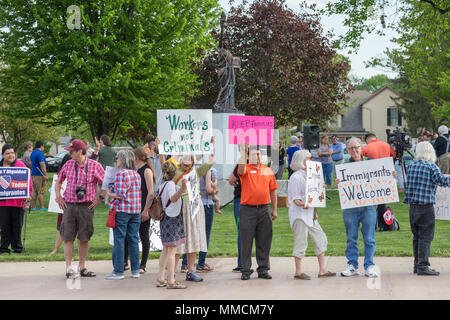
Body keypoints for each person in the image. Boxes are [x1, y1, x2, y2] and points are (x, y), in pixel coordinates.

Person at [55, 139, 105, 278]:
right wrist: (59, 196)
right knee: (68, 237)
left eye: (71, 151)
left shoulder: (95, 165)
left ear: (79, 151)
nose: (69, 154)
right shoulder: (68, 164)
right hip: (69, 205)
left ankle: (82, 267)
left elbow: (107, 183)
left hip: (86, 206)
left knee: (84, 237)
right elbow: (58, 181)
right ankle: (69, 268)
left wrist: (99, 199)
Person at [404, 142, 450, 276]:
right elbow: (443, 181)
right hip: (426, 207)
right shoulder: (431, 167)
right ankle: (423, 266)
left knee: (416, 236)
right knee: (426, 237)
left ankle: (417, 265)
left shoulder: (411, 166)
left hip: (412, 206)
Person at [288, 150, 335, 280]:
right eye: (307, 159)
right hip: (300, 215)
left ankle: (322, 269)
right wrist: (305, 203)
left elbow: (314, 192)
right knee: (301, 242)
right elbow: (296, 199)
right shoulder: (296, 177)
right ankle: (298, 271)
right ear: (301, 161)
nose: (310, 161)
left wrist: (320, 188)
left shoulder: (311, 175)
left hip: (311, 214)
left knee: (320, 238)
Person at [174, 137, 216, 282]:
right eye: (184, 161)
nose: (186, 164)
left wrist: (212, 145)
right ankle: (172, 273)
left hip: (195, 209)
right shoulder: (175, 173)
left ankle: (190, 271)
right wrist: (161, 150)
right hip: (179, 209)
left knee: (193, 241)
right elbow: (163, 165)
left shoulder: (196, 172)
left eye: (189, 161)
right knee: (177, 243)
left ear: (192, 161)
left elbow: (210, 162)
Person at [336, 137, 379, 278]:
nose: (354, 150)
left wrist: (391, 177)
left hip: (368, 207)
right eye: (351, 148)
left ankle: (369, 266)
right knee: (351, 238)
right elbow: (341, 187)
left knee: (369, 238)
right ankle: (352, 265)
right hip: (350, 207)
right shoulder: (343, 167)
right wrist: (338, 183)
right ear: (347, 150)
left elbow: (381, 180)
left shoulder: (372, 163)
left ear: (362, 148)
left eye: (357, 147)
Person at [238, 143, 278, 280]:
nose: (258, 156)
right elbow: (241, 168)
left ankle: (263, 269)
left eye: (259, 154)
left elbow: (273, 190)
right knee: (246, 240)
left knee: (265, 240)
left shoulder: (268, 170)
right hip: (247, 210)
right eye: (254, 154)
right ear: (248, 157)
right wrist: (243, 151)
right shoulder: (245, 169)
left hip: (264, 209)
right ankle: (245, 269)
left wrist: (274, 209)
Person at [104, 150, 142, 280]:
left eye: (117, 158)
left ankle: (118, 271)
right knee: (133, 240)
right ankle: (135, 270)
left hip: (123, 210)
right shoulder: (136, 174)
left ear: (122, 159)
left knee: (119, 240)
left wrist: (109, 193)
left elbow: (120, 195)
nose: (116, 160)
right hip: (135, 210)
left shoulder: (121, 174)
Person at [123, 147, 155, 274]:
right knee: (128, 235)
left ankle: (143, 264)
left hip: (143, 208)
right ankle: (125, 261)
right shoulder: (137, 170)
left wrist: (145, 210)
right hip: (135, 207)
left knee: (143, 235)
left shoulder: (146, 171)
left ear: (137, 157)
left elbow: (150, 192)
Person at [156, 161, 187, 289]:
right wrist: (182, 189)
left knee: (166, 248)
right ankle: (171, 280)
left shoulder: (162, 184)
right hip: (172, 218)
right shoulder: (170, 185)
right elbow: (173, 199)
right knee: (172, 250)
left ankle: (160, 278)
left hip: (166, 217)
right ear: (174, 174)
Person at [0, 144, 33, 255]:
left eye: (12, 153)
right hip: (3, 203)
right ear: (3, 155)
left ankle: (17, 248)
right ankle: (4, 248)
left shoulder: (21, 165)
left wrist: (29, 194)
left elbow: (28, 182)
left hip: (18, 202)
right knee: (4, 226)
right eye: (7, 153)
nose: (11, 155)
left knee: (17, 226)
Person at [362, 132, 396, 231]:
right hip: (384, 176)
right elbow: (393, 156)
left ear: (367, 140)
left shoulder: (366, 148)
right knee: (382, 202)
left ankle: (372, 224)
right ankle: (383, 224)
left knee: (371, 201)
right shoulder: (386, 145)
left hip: (371, 176)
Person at [228, 164, 243, 273]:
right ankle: (241, 264)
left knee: (242, 232)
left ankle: (242, 264)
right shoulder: (240, 164)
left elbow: (232, 180)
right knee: (241, 232)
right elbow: (231, 180)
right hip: (240, 200)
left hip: (242, 200)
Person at [30, 141, 49, 211]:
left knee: (35, 191)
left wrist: (47, 156)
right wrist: (46, 175)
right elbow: (42, 165)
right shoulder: (40, 153)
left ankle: (34, 207)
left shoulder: (33, 153)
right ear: (42, 146)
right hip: (39, 175)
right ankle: (42, 207)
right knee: (41, 191)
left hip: (34, 174)